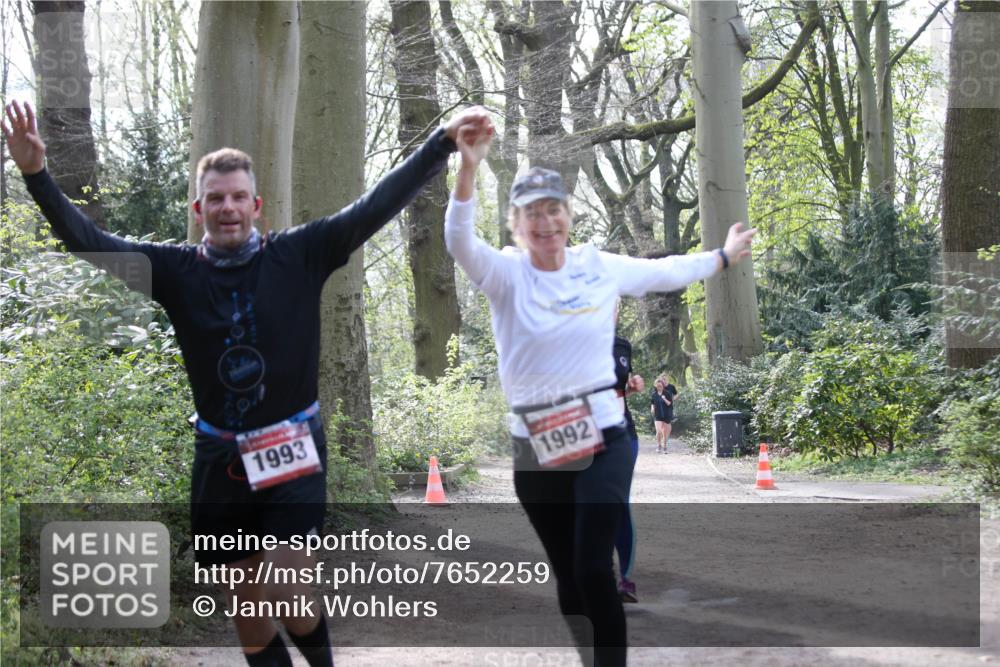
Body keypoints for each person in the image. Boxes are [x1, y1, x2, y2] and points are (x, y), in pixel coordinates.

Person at [4, 100, 487, 667]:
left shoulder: (301, 253)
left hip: (292, 451)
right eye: (216, 198)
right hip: (220, 458)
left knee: (289, 588)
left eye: (238, 198)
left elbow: (375, 206)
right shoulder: (174, 271)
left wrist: (443, 142)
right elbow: (89, 242)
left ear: (256, 206)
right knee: (250, 615)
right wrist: (36, 174)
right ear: (199, 208)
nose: (228, 208)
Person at [443, 113, 756, 666]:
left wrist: (723, 257)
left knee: (593, 567)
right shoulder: (503, 273)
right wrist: (468, 167)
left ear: (567, 216)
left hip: (604, 437)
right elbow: (458, 238)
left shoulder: (596, 266)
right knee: (568, 577)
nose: (545, 223)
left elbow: (663, 273)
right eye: (531, 214)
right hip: (537, 446)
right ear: (517, 224)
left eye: (554, 210)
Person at [612, 332, 643, 603]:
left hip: (623, 436)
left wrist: (630, 387)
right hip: (583, 437)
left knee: (619, 504)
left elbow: (619, 389)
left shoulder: (622, 345)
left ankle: (625, 579)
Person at [650, 379, 671, 453]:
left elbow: (669, 404)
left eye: (660, 386)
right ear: (656, 386)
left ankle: (665, 446)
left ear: (663, 386)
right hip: (657, 415)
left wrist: (664, 399)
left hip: (666, 415)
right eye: (658, 386)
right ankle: (659, 445)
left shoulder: (667, 393)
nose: (659, 387)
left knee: (665, 433)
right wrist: (652, 408)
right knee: (658, 431)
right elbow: (652, 403)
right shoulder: (654, 394)